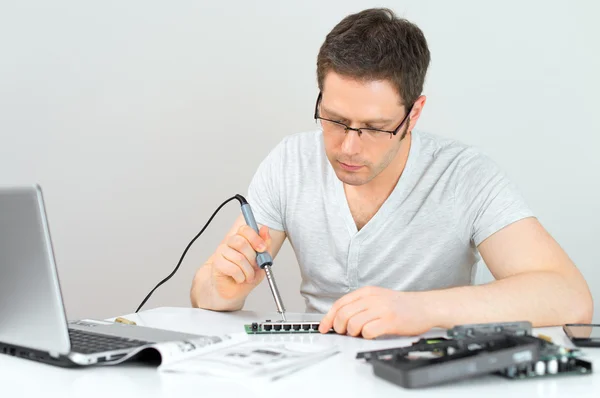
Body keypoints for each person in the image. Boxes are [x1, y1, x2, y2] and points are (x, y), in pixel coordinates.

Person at [190, 8, 593, 338]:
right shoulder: (289, 161)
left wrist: (421, 309)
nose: (348, 147)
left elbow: (569, 295)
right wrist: (222, 287)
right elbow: (206, 293)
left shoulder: (464, 176)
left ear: (413, 113)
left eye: (375, 128)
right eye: (333, 119)